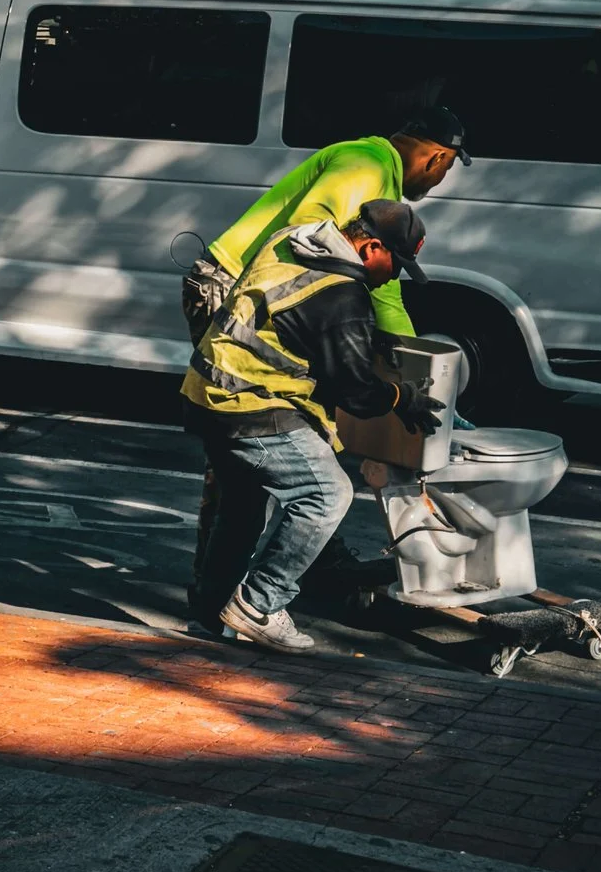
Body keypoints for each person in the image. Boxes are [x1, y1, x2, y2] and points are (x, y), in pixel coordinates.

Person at [183, 197, 439, 652]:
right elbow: (357, 393)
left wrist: (364, 339)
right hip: (250, 403)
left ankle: (209, 614)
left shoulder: (293, 241)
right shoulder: (342, 294)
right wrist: (402, 397)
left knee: (241, 507)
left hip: (207, 390)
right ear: (370, 246)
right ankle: (259, 605)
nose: (393, 275)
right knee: (328, 493)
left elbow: (296, 320)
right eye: (394, 263)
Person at [178, 95, 469, 351]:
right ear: (437, 159)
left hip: (246, 285)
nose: (442, 177)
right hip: (231, 281)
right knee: (234, 396)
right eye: (449, 166)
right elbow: (305, 233)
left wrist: (411, 360)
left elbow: (385, 293)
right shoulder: (368, 165)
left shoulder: (383, 183)